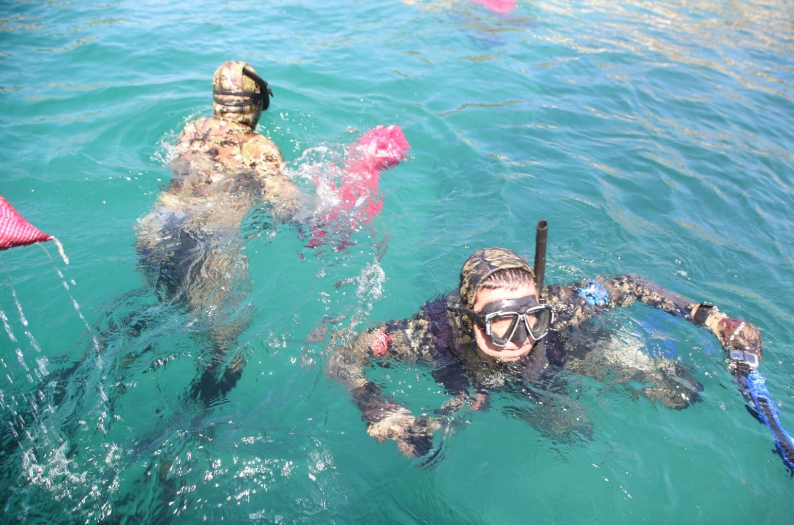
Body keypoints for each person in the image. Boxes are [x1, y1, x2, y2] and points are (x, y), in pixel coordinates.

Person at [134, 60, 408, 403]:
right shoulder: (258, 148)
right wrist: (335, 207)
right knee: (227, 349)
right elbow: (289, 206)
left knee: (158, 308)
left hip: (155, 231)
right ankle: (197, 420)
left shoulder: (191, 129)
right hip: (206, 247)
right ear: (255, 103)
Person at [326, 247, 762, 458]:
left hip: (565, 351)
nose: (519, 338)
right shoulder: (429, 336)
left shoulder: (560, 308)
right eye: (500, 322)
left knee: (682, 391)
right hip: (475, 376)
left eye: (529, 318)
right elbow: (344, 355)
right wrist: (377, 407)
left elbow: (629, 283)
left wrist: (714, 321)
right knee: (572, 430)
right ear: (470, 317)